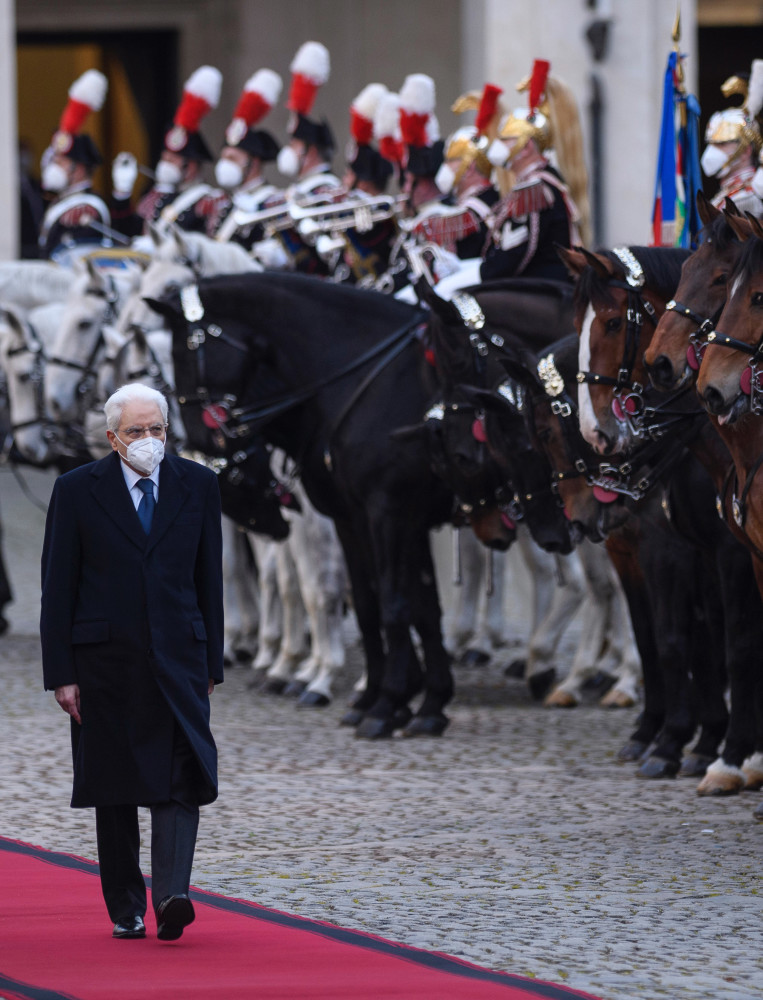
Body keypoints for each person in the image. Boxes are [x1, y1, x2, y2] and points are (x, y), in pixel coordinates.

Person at [40, 382, 224, 941]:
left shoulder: (198, 484)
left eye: (157, 430)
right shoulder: (76, 490)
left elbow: (207, 579)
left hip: (178, 657)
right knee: (115, 787)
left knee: (182, 775)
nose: (148, 440)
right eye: (136, 431)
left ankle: (172, 894)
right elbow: (58, 586)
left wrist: (210, 662)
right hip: (104, 664)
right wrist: (61, 674)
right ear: (112, 437)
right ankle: (126, 905)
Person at [481, 59, 590, 283]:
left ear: (527, 146)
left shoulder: (536, 188)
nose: (499, 145)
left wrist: (484, 273)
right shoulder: (535, 182)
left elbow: (520, 252)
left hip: (544, 284)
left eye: (507, 139)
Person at [111, 66, 222, 238]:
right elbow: (124, 234)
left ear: (190, 165)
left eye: (171, 160)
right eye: (164, 158)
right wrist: (122, 192)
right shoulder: (156, 198)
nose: (164, 164)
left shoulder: (207, 202)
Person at [270, 41, 344, 274]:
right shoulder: (299, 190)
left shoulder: (327, 191)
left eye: (295, 143)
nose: (289, 148)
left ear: (309, 151)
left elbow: (329, 253)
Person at [38, 69, 112, 263]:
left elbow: (76, 261)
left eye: (60, 162)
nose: (53, 167)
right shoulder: (62, 202)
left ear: (78, 169)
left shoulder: (87, 208)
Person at [207, 68, 285, 249]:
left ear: (254, 162)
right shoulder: (223, 203)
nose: (225, 164)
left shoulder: (273, 202)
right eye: (224, 157)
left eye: (232, 158)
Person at [704, 63, 763, 218]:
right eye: (711, 143)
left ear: (746, 151)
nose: (712, 150)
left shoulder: (748, 198)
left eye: (722, 143)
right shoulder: (729, 192)